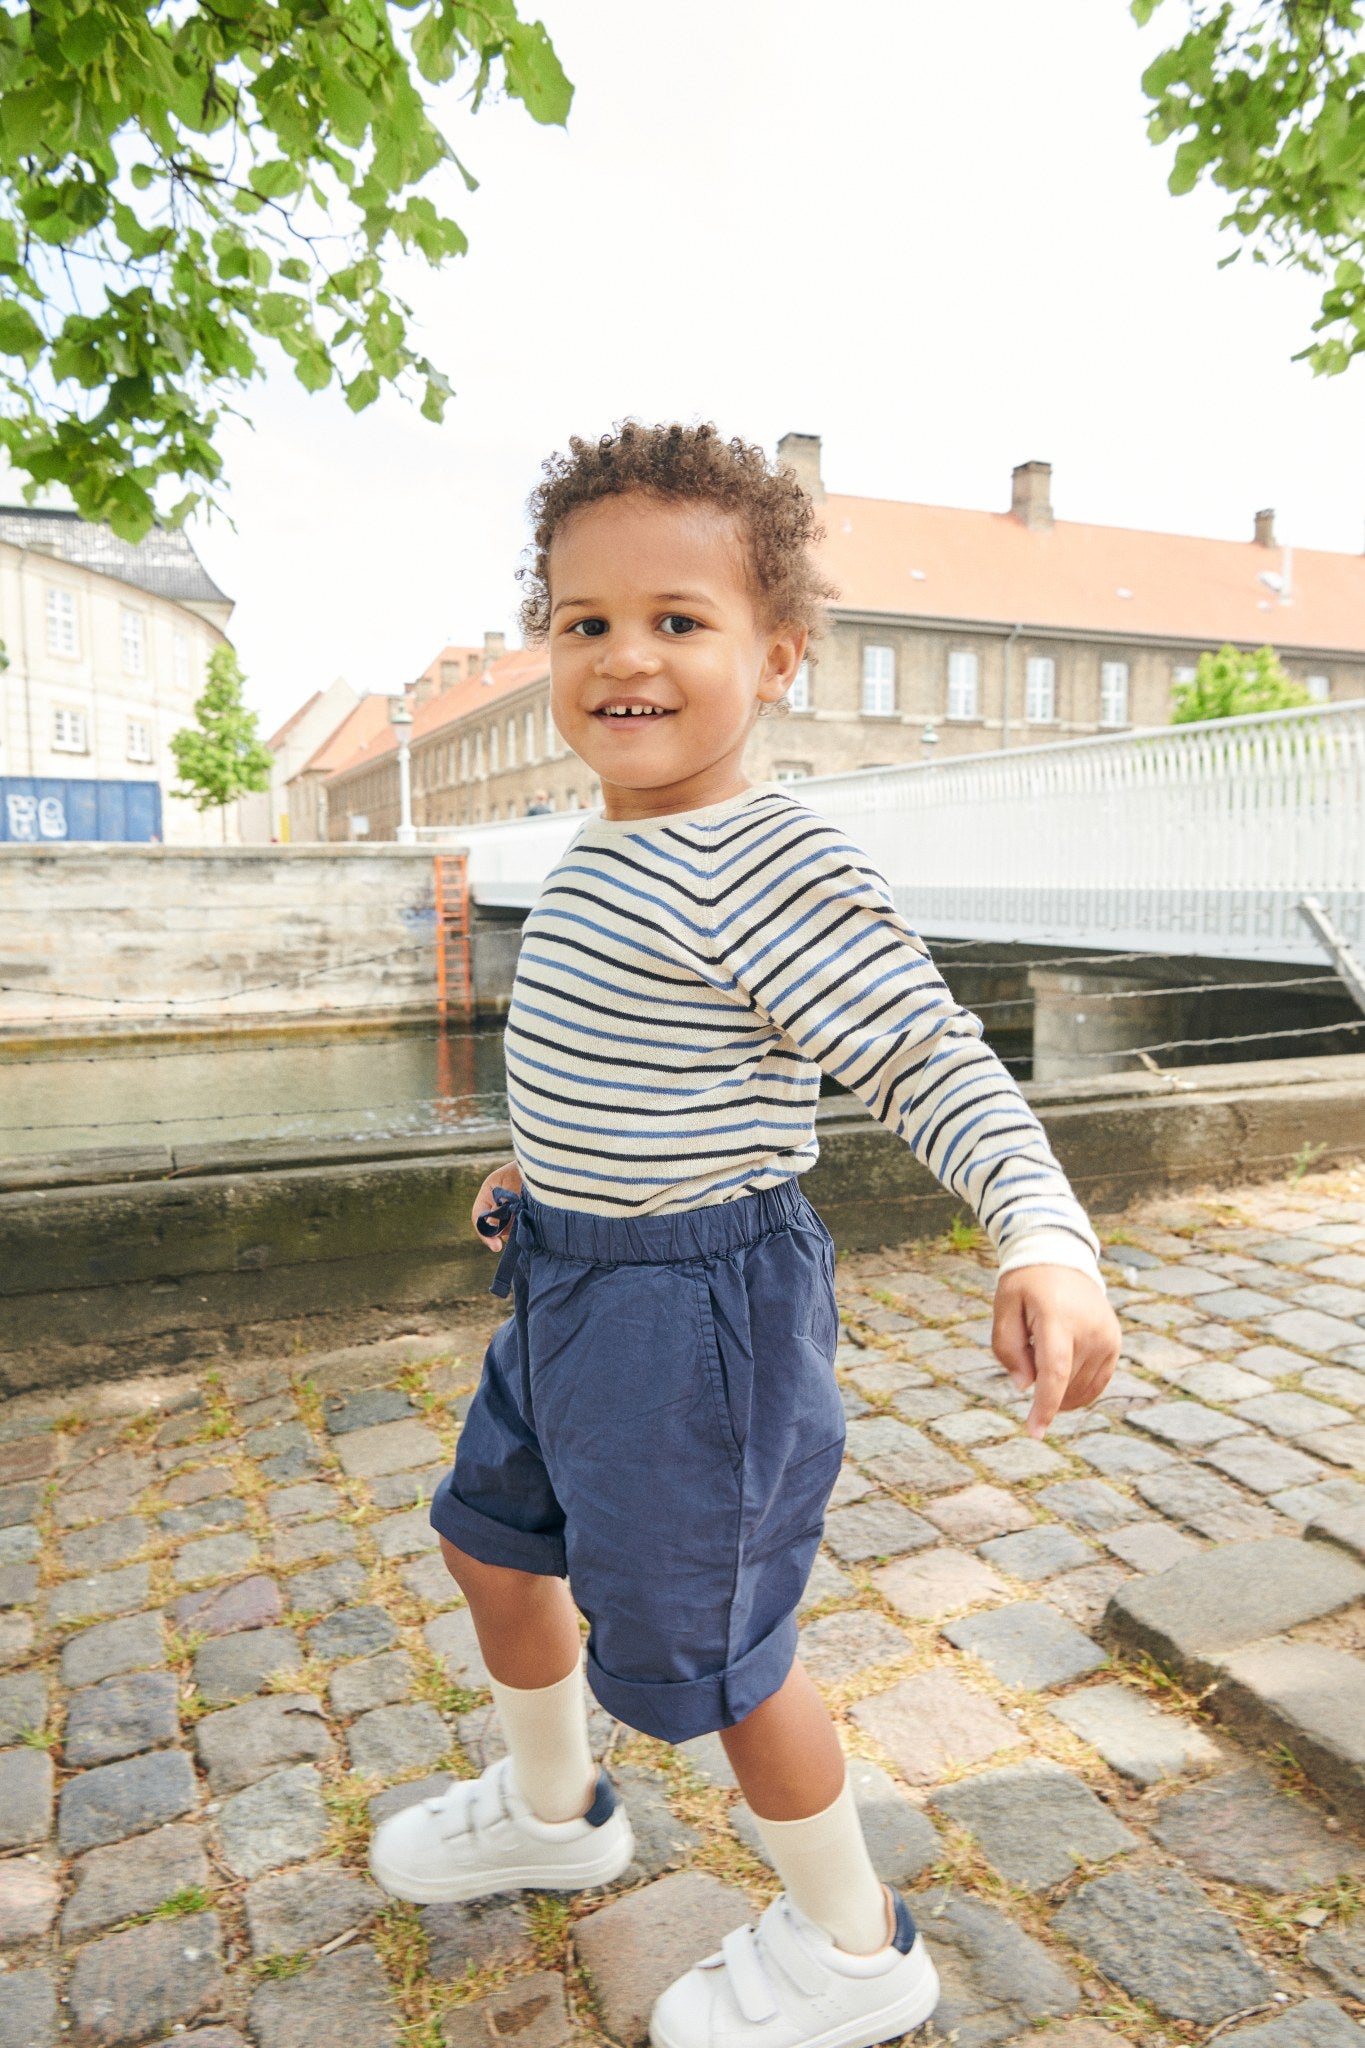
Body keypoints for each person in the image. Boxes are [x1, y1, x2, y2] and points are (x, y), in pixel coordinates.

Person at [369, 423, 1120, 2048]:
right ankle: (556, 1809)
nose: (624, 655)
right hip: (568, 1276)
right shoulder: (607, 841)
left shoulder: (773, 855)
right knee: (490, 1541)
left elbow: (926, 1053)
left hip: (691, 1324)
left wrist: (1039, 1232)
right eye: (585, 621)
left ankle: (854, 1948)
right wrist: (541, 1172)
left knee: (722, 1650)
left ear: (774, 656)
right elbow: (636, 1056)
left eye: (677, 619)